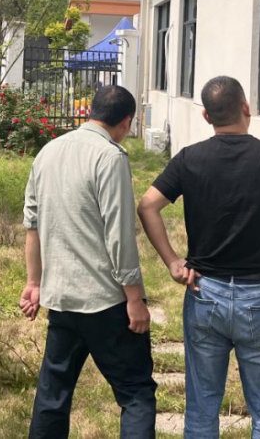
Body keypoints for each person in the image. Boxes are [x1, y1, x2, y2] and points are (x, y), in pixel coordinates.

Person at [137, 76, 260, 439]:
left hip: (204, 295)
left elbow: (148, 205)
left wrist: (172, 261)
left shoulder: (189, 159)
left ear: (206, 116)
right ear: (246, 108)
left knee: (201, 411)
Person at [19, 85, 157, 438]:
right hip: (105, 301)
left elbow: (32, 224)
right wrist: (135, 298)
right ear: (126, 122)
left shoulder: (48, 152)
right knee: (136, 393)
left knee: (52, 394)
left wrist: (34, 282)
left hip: (60, 297)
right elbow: (119, 234)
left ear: (91, 111)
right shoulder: (110, 157)